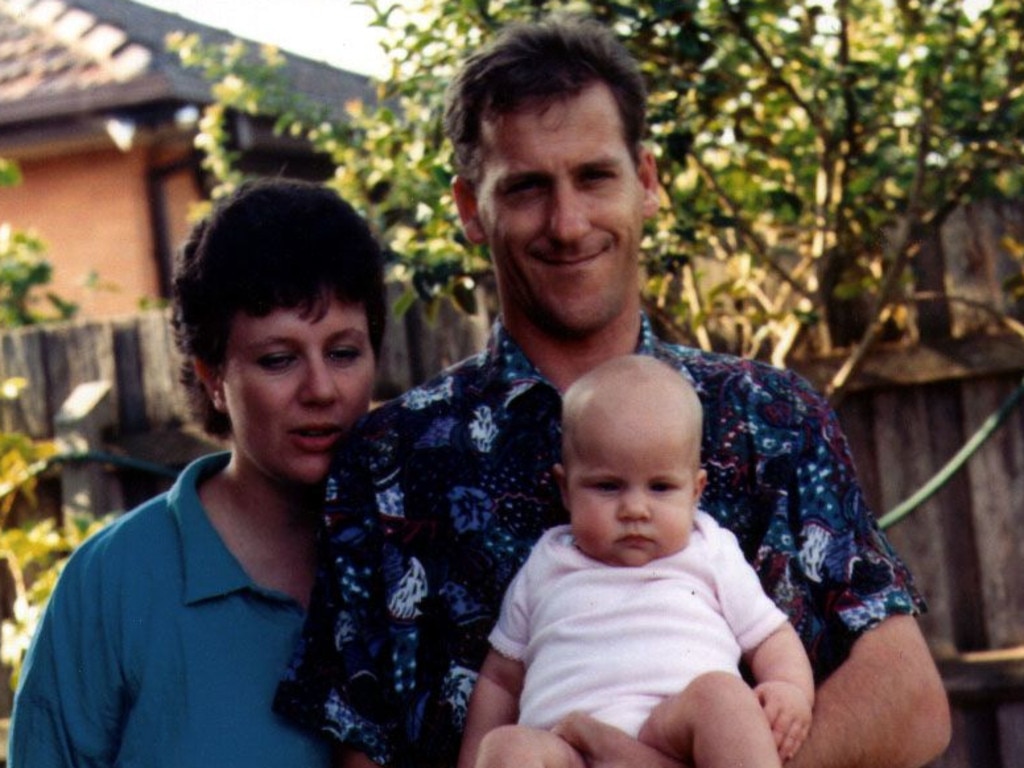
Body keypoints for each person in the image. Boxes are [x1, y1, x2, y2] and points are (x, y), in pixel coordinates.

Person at [275, 13, 950, 768]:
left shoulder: (773, 419)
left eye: (594, 176)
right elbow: (362, 747)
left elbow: (910, 701)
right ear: (470, 208)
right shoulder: (390, 462)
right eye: (527, 187)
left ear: (647, 183)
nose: (567, 224)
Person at [8, 178, 387, 767]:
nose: (322, 389)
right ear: (212, 376)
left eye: (343, 353)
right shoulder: (113, 585)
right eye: (278, 360)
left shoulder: (424, 553)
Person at [458, 355, 814, 768]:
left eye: (661, 487)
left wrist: (789, 689)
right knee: (505, 748)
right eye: (608, 486)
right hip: (564, 748)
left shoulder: (709, 550)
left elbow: (770, 635)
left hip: (673, 733)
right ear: (566, 488)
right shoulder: (546, 563)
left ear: (696, 491)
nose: (635, 509)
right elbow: (500, 680)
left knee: (724, 698)